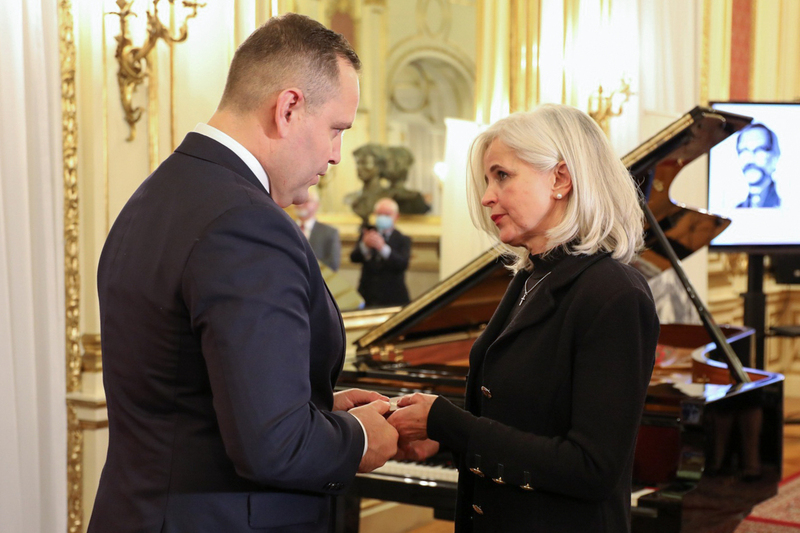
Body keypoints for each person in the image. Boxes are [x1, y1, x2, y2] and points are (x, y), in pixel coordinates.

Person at [88, 14, 398, 533]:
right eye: (336, 130)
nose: (336, 155)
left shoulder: (156, 194)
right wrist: (360, 438)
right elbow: (274, 446)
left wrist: (319, 409)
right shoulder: (248, 223)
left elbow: (189, 393)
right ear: (288, 108)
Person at [388, 104, 659, 532]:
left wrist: (448, 423)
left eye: (502, 175)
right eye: (487, 180)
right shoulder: (530, 277)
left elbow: (592, 468)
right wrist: (442, 440)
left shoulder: (614, 293)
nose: (486, 196)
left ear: (560, 179)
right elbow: (517, 421)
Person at [350, 197, 411, 307]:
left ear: (396, 217)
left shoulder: (402, 239)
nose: (382, 217)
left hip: (393, 297)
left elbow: (402, 264)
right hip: (367, 295)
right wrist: (365, 246)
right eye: (379, 214)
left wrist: (382, 248)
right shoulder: (367, 234)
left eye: (387, 214)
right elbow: (354, 257)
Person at [735, 123, 781, 208]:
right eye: (744, 150)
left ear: (775, 157)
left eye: (760, 149)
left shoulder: (785, 205)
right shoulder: (737, 208)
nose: (750, 158)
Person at [296, 188, 341, 271]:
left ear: (316, 205)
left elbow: (333, 264)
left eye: (306, 201)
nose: (300, 205)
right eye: (297, 201)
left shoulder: (329, 233)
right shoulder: (285, 228)